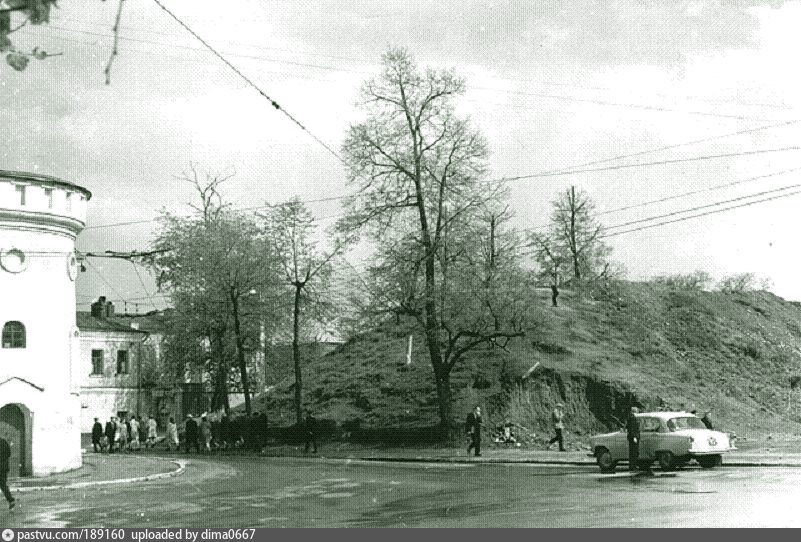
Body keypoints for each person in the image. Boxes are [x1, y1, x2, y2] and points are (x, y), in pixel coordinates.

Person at [0, 436, 15, 510]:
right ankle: (10, 500)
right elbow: (9, 453)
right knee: (3, 485)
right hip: (4, 468)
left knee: (3, 485)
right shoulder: (4, 442)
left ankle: (11, 500)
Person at [626, 406, 640, 472]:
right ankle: (633, 466)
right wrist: (634, 436)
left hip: (632, 436)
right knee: (634, 452)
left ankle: (632, 466)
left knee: (633, 452)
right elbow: (632, 428)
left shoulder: (630, 417)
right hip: (633, 437)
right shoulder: (633, 418)